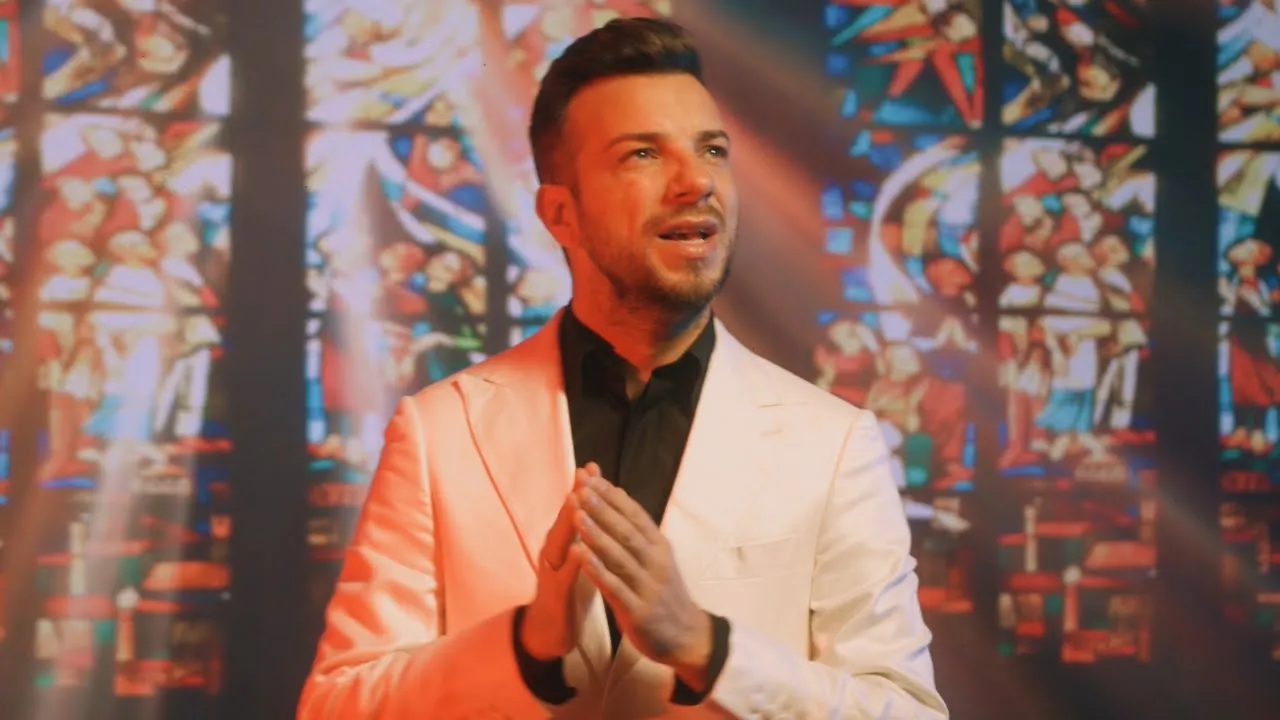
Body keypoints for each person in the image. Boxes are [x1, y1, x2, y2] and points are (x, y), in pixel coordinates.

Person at [298, 17, 947, 719]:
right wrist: (526, 647)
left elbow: (907, 712)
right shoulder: (438, 432)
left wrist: (709, 650)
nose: (696, 181)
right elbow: (336, 706)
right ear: (561, 214)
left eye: (713, 150)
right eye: (643, 154)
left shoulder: (834, 443)